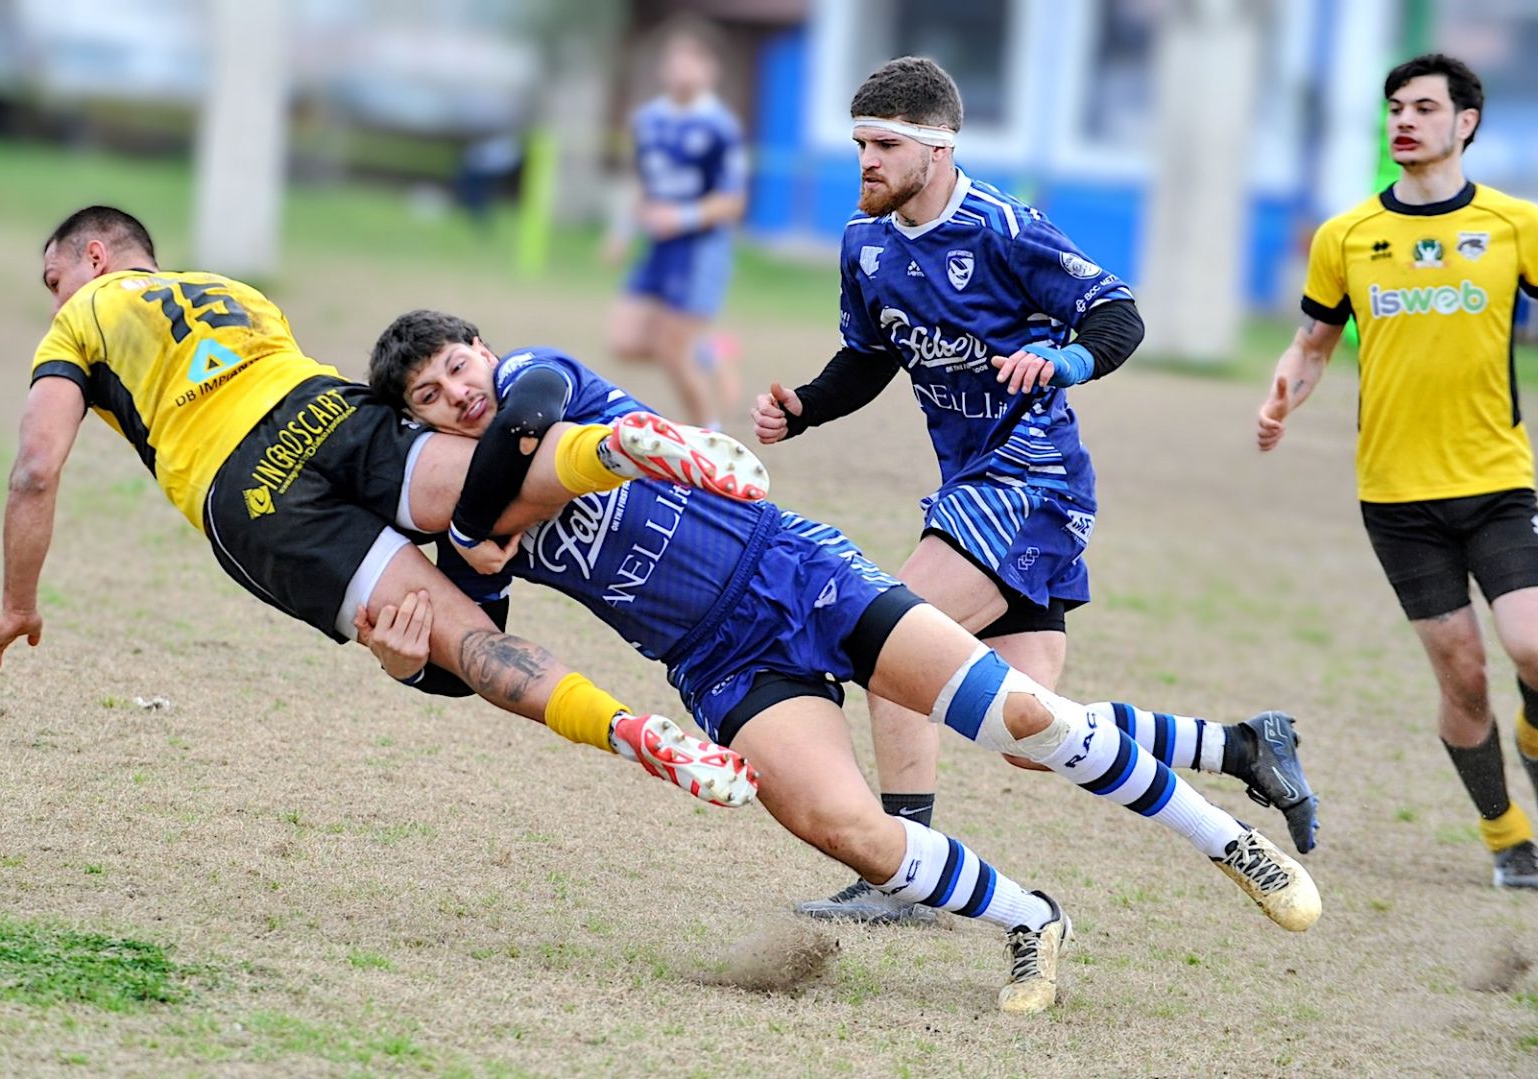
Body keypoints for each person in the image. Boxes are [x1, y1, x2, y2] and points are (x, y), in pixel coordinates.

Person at [364, 310, 1322, 1016]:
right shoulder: (460, 525)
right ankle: (1032, 919)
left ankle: (1226, 839)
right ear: (418, 425)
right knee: (843, 827)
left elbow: (528, 414)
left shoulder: (537, 378)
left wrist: (488, 524)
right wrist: (410, 663)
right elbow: (481, 653)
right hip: (719, 659)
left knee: (1022, 719)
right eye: (431, 397)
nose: (460, 391)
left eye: (459, 365)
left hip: (796, 571)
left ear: (483, 348)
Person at [750, 57, 1318, 922]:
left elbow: (1117, 315)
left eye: (884, 144)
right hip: (974, 487)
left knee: (887, 643)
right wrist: (805, 411)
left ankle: (899, 877)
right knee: (1031, 730)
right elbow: (871, 356)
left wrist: (1061, 358)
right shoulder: (864, 245)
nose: (865, 160)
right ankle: (1239, 745)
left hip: (1033, 482)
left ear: (938, 150)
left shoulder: (1006, 230)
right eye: (859, 142)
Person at [0, 205, 771, 809]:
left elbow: (36, 467)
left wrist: (17, 601)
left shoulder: (79, 319)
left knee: (464, 644)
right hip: (326, 409)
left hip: (249, 491)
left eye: (53, 278)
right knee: (505, 477)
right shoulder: (234, 291)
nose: (53, 296)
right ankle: (627, 445)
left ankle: (631, 732)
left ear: (93, 257)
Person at [1257, 53, 1538, 889]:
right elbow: (1312, 343)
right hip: (1397, 498)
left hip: (1497, 479)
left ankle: (1531, 737)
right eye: (1395, 108)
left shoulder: (1514, 224)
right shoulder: (1347, 237)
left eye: (1423, 106)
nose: (1405, 120)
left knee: (1531, 644)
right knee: (1464, 673)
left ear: (1466, 123)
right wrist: (1284, 394)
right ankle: (1505, 835)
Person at [601, 16, 747, 428]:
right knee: (624, 342)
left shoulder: (720, 129)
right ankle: (713, 351)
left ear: (709, 70)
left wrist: (681, 217)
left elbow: (733, 202)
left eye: (692, 60)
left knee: (670, 350)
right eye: (674, 59)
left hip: (699, 251)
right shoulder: (649, 121)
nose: (681, 69)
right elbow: (644, 185)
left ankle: (709, 437)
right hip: (657, 248)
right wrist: (622, 231)